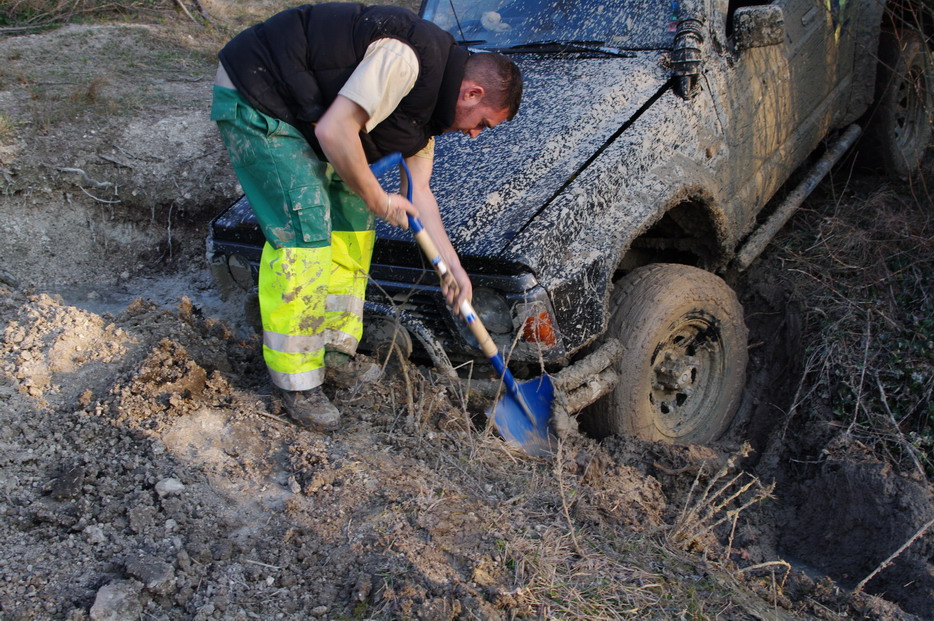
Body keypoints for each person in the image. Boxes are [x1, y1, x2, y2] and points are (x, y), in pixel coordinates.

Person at [210, 3, 523, 431]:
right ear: (472, 93)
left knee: (354, 224)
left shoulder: (429, 115)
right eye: (482, 124)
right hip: (260, 91)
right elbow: (335, 131)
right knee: (307, 229)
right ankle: (297, 381)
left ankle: (334, 354)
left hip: (309, 110)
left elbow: (420, 194)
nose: (473, 135)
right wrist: (378, 196)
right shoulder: (406, 60)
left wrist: (454, 269)